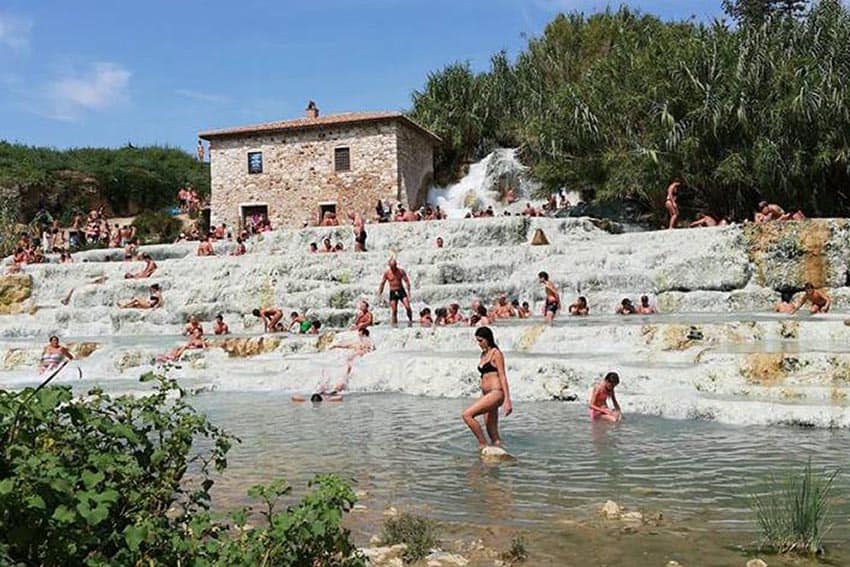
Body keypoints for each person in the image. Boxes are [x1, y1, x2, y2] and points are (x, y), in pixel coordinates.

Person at [462, 327, 512, 450]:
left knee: (467, 415)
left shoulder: (496, 353)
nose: (479, 344)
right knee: (491, 431)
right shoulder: (483, 354)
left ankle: (483, 444)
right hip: (486, 394)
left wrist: (507, 400)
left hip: (496, 392)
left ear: (487, 339)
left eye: (480, 340)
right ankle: (498, 450)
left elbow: (502, 376)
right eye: (477, 341)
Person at [378, 258, 413, 326]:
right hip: (393, 292)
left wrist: (409, 293)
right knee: (394, 311)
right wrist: (380, 293)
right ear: (389, 265)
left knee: (408, 307)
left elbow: (407, 281)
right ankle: (394, 325)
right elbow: (382, 283)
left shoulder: (401, 271)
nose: (394, 268)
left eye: (395, 265)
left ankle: (410, 320)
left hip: (401, 291)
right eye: (392, 266)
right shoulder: (387, 273)